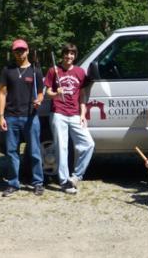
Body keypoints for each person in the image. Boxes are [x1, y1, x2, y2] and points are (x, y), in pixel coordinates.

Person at [44, 43, 95, 194]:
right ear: (63, 55)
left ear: (75, 56)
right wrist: (56, 93)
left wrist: (83, 114)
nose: (69, 56)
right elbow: (48, 92)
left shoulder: (80, 72)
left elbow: (83, 95)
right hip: (58, 113)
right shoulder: (54, 70)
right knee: (62, 148)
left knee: (88, 144)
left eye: (72, 54)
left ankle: (76, 177)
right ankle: (64, 181)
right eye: (67, 54)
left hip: (74, 114)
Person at [0, 39, 45, 197]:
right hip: (11, 117)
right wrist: (1, 116)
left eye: (22, 50)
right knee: (12, 152)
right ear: (13, 52)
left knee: (34, 151)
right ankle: (13, 183)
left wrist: (39, 100)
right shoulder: (7, 70)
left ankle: (38, 182)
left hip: (31, 117)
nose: (20, 53)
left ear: (27, 51)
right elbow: (2, 93)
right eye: (17, 50)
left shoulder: (35, 70)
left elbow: (40, 92)